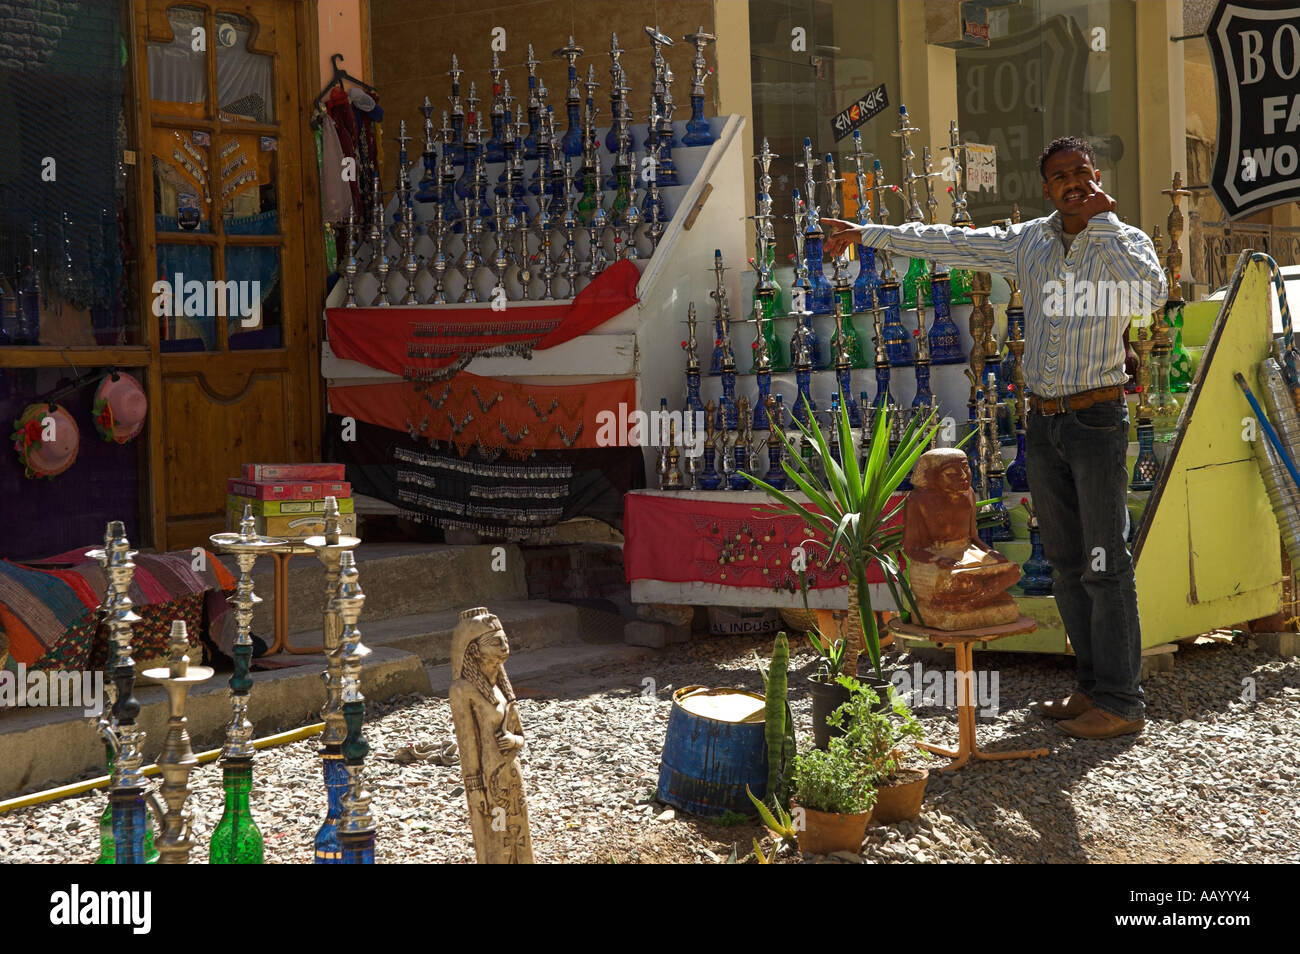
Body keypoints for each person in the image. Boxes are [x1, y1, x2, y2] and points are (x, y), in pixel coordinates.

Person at [823, 136, 1167, 739]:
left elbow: (1150, 298)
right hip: (1045, 420)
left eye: (1081, 173)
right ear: (1046, 187)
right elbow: (950, 243)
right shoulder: (1027, 242)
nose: (1072, 184)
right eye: (1061, 176)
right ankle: (1089, 688)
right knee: (1063, 562)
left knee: (1105, 562)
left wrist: (1104, 222)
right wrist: (868, 232)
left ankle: (1122, 701)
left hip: (1097, 419)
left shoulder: (1125, 240)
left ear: (1096, 177)